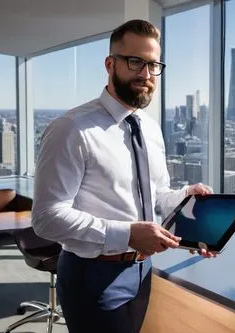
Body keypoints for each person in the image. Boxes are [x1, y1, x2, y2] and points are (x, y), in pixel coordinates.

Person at [31, 19, 215, 333]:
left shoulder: (150, 128)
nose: (145, 74)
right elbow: (47, 218)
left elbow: (156, 197)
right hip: (92, 276)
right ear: (110, 64)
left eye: (153, 64)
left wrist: (186, 198)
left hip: (143, 271)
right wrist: (127, 234)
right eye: (135, 62)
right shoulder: (72, 129)